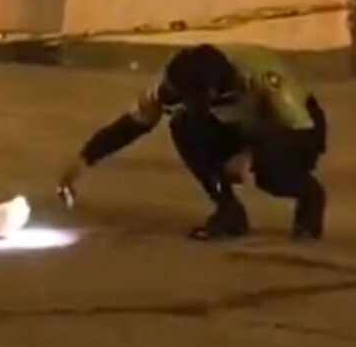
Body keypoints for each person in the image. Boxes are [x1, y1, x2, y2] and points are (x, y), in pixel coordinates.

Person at [58, 44, 327, 241]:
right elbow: (133, 125)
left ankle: (310, 199)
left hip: (291, 130)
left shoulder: (262, 74)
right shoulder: (172, 81)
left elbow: (302, 129)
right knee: (184, 127)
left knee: (272, 175)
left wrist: (252, 156)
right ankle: (228, 211)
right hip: (235, 126)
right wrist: (84, 159)